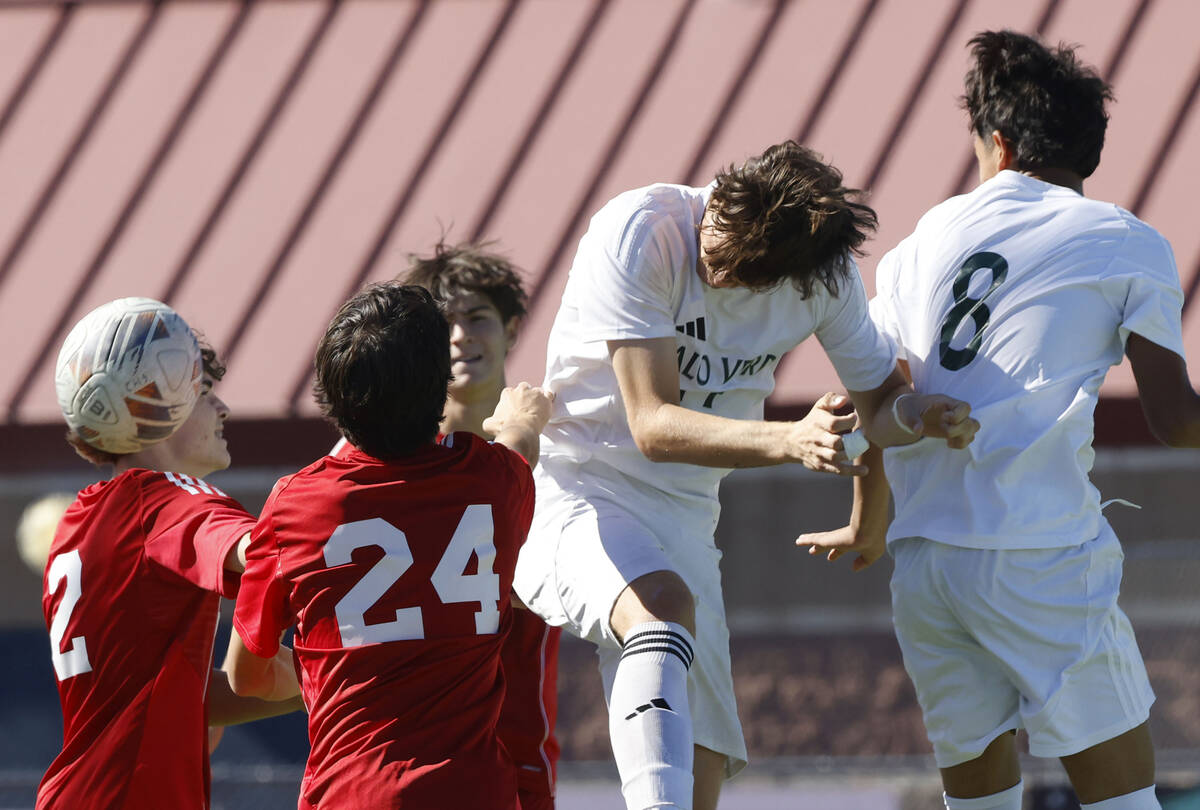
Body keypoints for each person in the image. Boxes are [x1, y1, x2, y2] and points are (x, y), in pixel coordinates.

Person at [513, 140, 980, 810]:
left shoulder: (824, 278)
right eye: (715, 241)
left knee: (700, 756)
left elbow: (881, 407)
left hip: (688, 515)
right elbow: (652, 426)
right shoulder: (641, 230)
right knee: (660, 607)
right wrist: (789, 439)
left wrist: (920, 416)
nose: (715, 266)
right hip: (579, 486)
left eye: (737, 270)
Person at [804, 30, 1200, 810]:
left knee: (979, 803)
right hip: (1037, 552)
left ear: (1000, 144)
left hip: (926, 562)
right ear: (1088, 151)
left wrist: (867, 523)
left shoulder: (923, 241)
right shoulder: (1125, 240)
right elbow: (1175, 419)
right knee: (1124, 802)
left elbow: (876, 392)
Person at [226, 283, 554, 809]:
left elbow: (246, 676)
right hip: (472, 793)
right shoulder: (490, 479)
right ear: (440, 385)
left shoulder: (295, 504)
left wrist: (328, 678)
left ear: (331, 391)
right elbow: (519, 449)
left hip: (351, 793)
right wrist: (521, 418)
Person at [38, 317, 301, 809]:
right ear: (150, 401)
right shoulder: (165, 497)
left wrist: (318, 680)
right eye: (203, 392)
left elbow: (194, 710)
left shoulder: (77, 520)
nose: (222, 409)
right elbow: (274, 555)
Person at [402, 241, 561, 810]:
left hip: (517, 748)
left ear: (513, 328)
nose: (460, 336)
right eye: (444, 323)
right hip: (409, 752)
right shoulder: (390, 456)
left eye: (477, 318)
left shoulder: (561, 448)